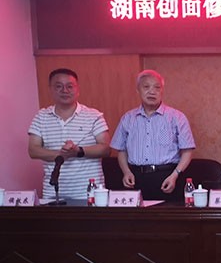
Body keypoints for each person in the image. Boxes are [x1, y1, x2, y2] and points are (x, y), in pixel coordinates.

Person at [110, 70, 195, 201]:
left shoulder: (177, 117)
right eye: (146, 87)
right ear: (138, 90)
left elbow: (187, 151)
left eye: (157, 87)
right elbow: (121, 150)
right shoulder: (128, 118)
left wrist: (175, 175)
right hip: (135, 177)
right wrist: (126, 172)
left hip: (168, 177)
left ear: (162, 91)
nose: (152, 91)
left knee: (169, 213)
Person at [28, 68, 111, 200]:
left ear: (77, 89)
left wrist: (78, 151)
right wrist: (62, 155)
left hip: (89, 194)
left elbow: (105, 149)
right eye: (58, 86)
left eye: (69, 86)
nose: (65, 90)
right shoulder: (41, 116)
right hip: (52, 194)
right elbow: (33, 150)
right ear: (50, 89)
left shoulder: (94, 115)